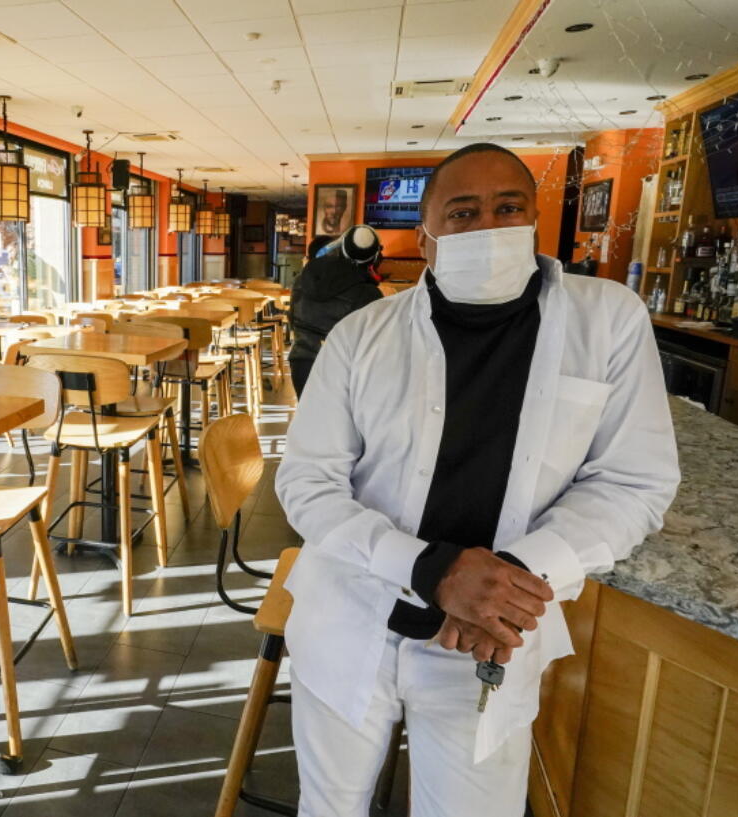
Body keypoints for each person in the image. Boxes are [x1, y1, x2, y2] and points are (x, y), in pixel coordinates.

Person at [276, 143, 679, 817]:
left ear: (535, 223)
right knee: (329, 808)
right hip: (351, 614)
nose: (488, 227)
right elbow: (307, 481)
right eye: (462, 213)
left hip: (492, 639)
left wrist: (511, 580)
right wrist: (431, 567)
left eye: (508, 207)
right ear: (427, 240)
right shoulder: (360, 336)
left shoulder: (607, 321)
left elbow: (634, 481)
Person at [288, 226, 384, 397]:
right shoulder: (369, 294)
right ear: (374, 259)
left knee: (312, 421)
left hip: (301, 366)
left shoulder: (301, 279)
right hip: (344, 374)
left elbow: (292, 321)